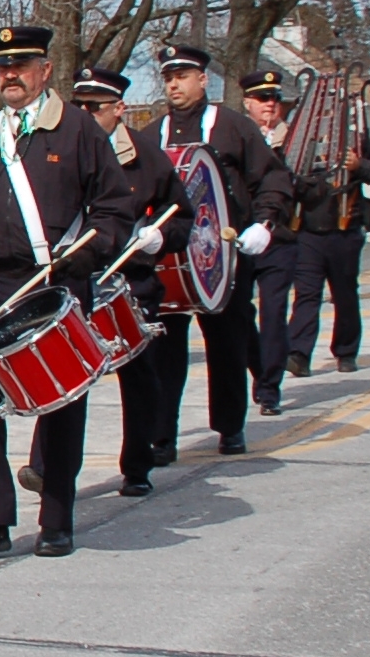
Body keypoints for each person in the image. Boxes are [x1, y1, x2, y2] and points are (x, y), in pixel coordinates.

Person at [0, 26, 134, 559]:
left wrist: (93, 251)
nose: (10, 75)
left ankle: (58, 517)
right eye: (2, 67)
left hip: (59, 280)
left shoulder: (77, 132)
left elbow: (114, 207)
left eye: (21, 65)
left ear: (45, 71)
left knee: (61, 399)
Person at [45, 65, 191, 497]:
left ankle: (138, 463)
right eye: (80, 106)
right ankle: (48, 467)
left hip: (130, 280)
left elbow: (182, 218)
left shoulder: (146, 156)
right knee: (62, 376)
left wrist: (158, 238)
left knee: (138, 373)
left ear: (119, 109)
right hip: (74, 277)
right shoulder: (56, 149)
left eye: (96, 107)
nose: (86, 115)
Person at [145, 43, 292, 458]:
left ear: (203, 80)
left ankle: (229, 427)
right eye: (169, 77)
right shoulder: (150, 134)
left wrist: (264, 223)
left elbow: (273, 179)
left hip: (223, 255)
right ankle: (161, 435)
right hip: (169, 258)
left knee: (227, 343)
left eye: (183, 76)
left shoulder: (232, 127)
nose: (174, 84)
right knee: (163, 350)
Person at [286, 132, 370, 373]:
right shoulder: (302, 134)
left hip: (344, 230)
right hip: (308, 231)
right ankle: (298, 354)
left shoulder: (356, 139)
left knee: (344, 295)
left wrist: (359, 165)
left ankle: (346, 351)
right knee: (306, 294)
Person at [240, 69, 298, 417]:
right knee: (241, 315)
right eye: (263, 99)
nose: (270, 105)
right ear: (248, 103)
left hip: (280, 237)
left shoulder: (296, 139)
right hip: (243, 239)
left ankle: (269, 388)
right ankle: (260, 371)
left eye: (275, 98)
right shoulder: (238, 135)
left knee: (273, 312)